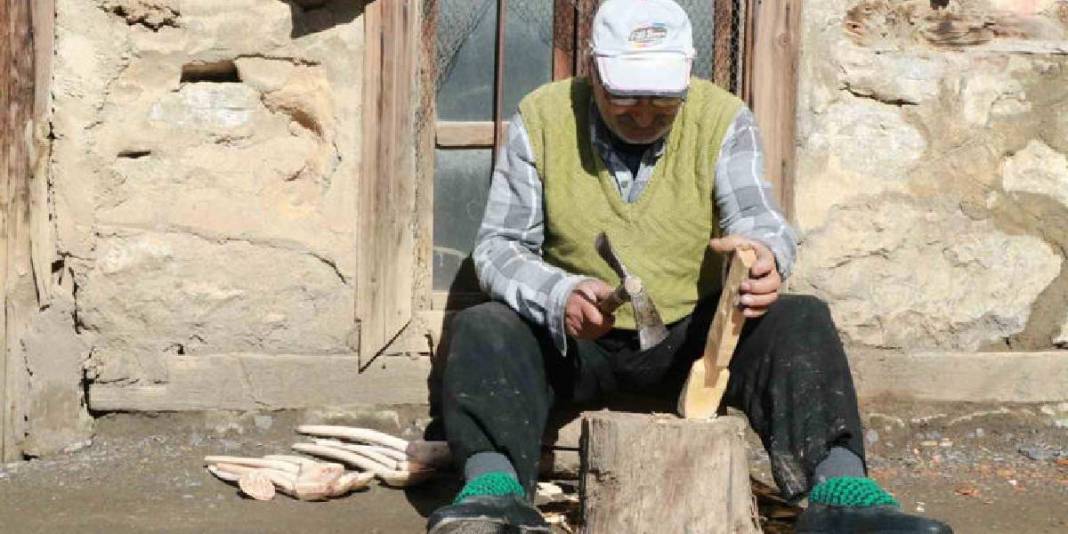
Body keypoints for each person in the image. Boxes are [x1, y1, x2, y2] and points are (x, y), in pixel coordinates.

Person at [427, 1, 953, 532]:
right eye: (625, 97)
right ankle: (492, 498)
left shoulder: (722, 118)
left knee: (801, 318)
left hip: (695, 341)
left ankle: (844, 498)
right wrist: (560, 295)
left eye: (664, 99)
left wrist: (767, 257)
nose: (644, 114)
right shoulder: (541, 118)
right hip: (578, 343)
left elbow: (759, 218)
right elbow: (499, 247)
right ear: (594, 70)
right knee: (485, 326)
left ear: (687, 76)